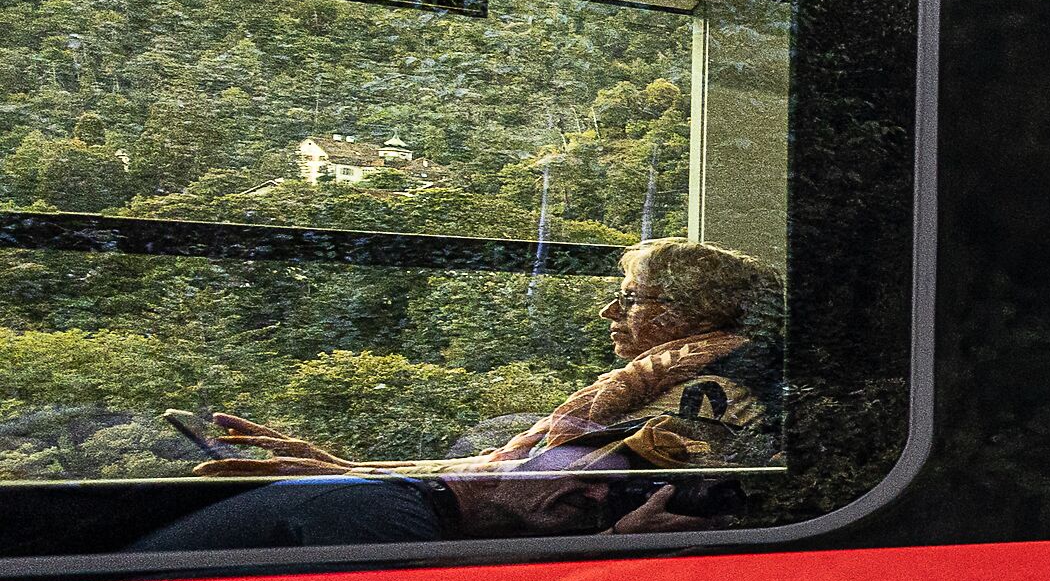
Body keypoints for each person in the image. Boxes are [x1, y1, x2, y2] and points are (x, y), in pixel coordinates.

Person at [141, 236, 786, 551]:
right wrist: (346, 467)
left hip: (425, 522)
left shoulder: (705, 398)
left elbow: (585, 502)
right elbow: (513, 475)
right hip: (419, 507)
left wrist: (359, 480)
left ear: (693, 311)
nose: (610, 313)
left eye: (632, 299)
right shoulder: (633, 393)